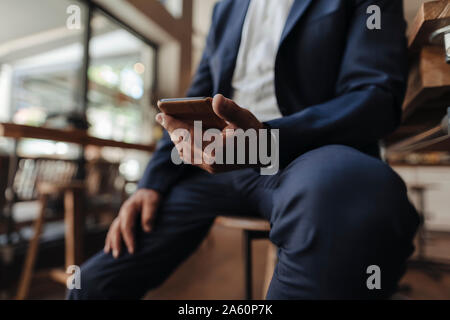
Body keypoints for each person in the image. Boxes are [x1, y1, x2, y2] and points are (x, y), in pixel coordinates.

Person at [68, 0, 419, 299]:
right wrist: (150, 183)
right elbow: (192, 100)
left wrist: (268, 139)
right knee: (92, 285)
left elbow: (374, 98)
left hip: (309, 156)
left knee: (349, 195)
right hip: (221, 165)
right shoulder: (225, 7)